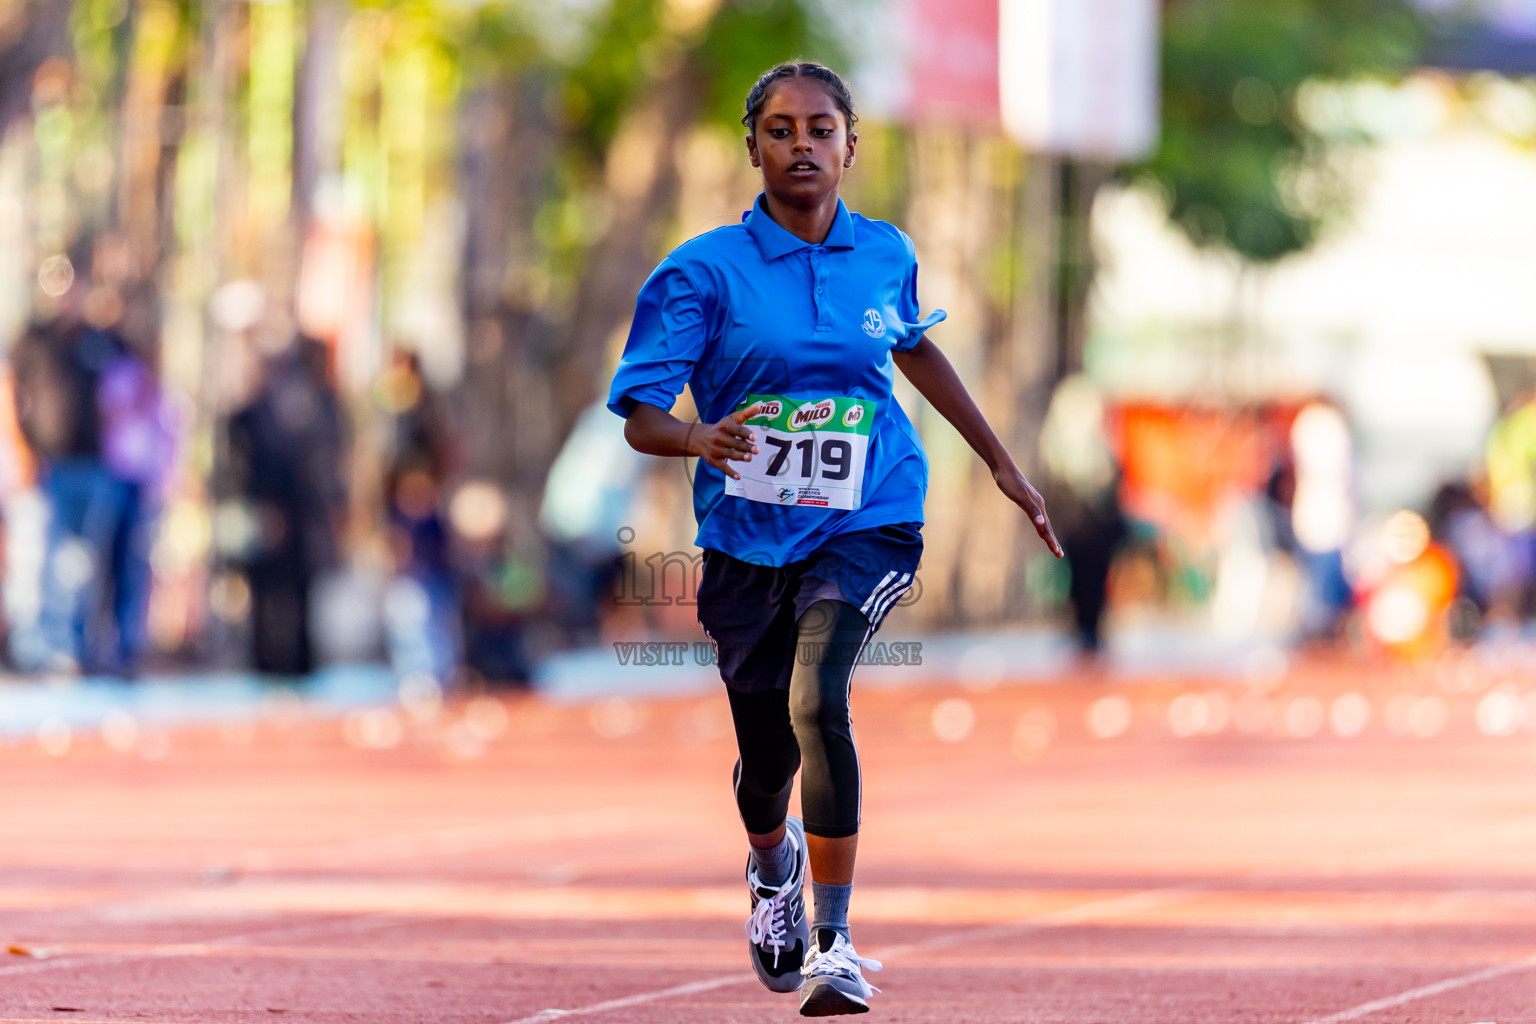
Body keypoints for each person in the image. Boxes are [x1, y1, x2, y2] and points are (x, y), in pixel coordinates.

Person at [608, 62, 1061, 1017]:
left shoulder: (884, 253)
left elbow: (914, 346)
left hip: (869, 514)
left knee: (819, 700)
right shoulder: (701, 272)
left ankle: (835, 941)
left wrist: (1001, 464)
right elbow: (641, 413)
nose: (802, 146)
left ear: (852, 144)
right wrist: (697, 438)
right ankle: (770, 863)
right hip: (747, 538)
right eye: (781, 130)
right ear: (753, 148)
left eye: (821, 129)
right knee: (765, 759)